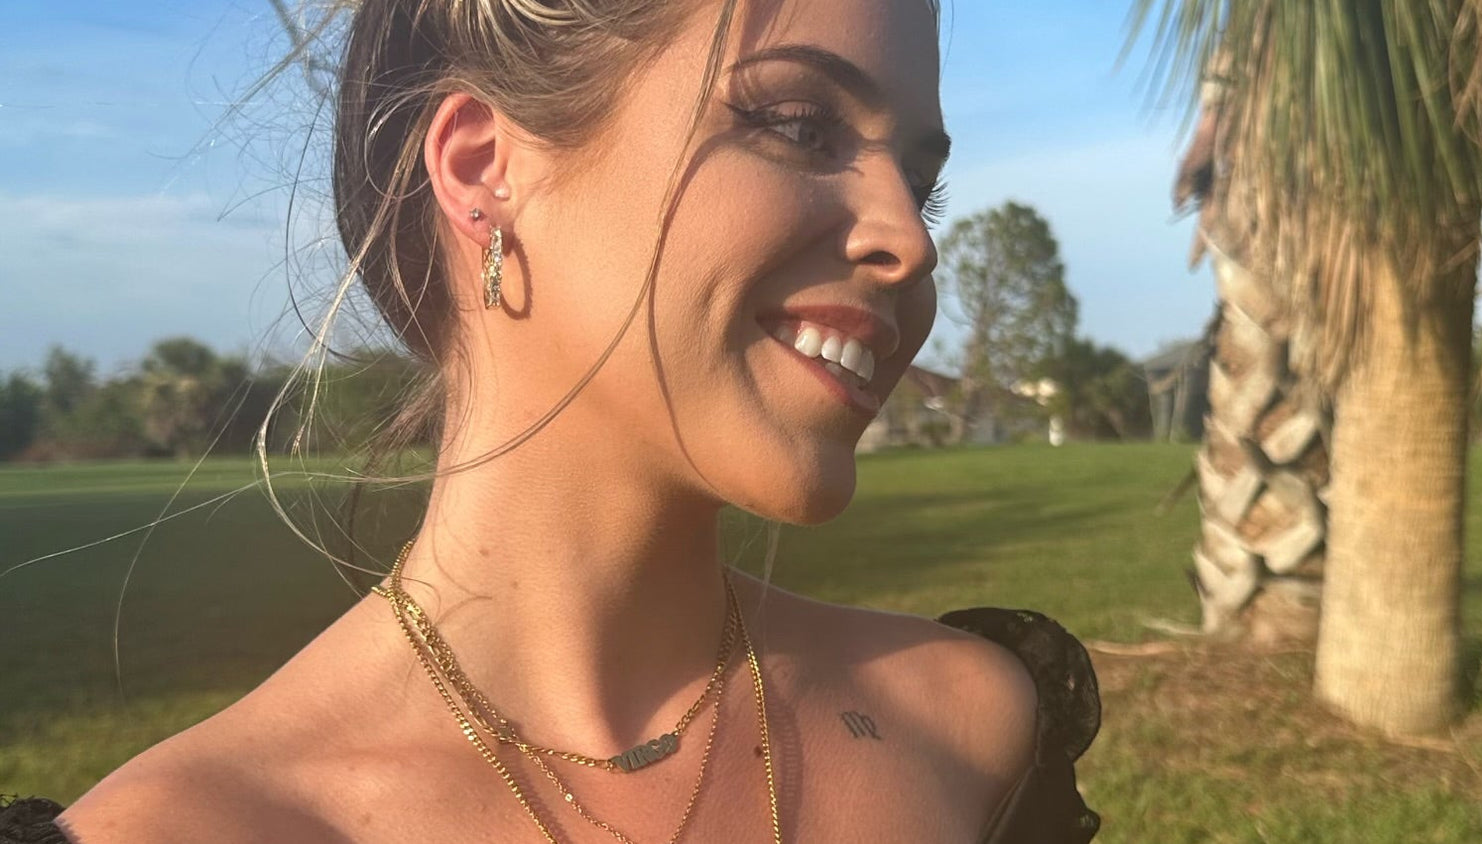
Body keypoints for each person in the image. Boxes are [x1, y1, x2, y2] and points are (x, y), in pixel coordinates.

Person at [2, 0, 1099, 840]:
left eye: (922, 179)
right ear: (485, 167)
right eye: (801, 125)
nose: (911, 241)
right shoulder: (196, 825)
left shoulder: (969, 729)